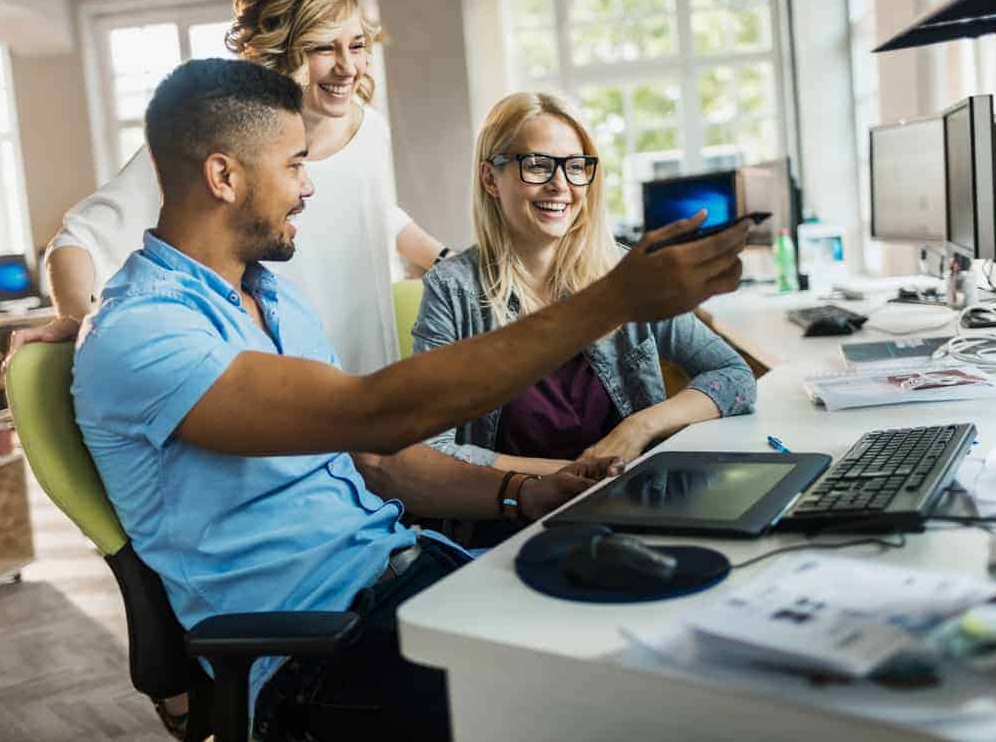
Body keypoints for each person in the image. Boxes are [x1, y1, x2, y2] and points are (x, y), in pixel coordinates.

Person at [70, 59, 751, 740]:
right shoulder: (144, 331)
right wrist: (614, 299)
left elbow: (380, 458)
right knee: (605, 713)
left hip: (414, 573)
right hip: (313, 656)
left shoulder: (270, 298)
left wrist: (524, 492)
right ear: (224, 177)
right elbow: (374, 412)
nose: (308, 189)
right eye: (295, 166)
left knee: (667, 651)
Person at [16, 0, 448, 373]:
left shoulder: (369, 129)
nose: (348, 66)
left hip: (372, 369)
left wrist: (452, 263)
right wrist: (80, 322)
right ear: (282, 53)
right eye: (321, 47)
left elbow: (378, 214)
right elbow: (78, 239)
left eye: (357, 46)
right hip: (276, 387)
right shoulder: (215, 140)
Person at [413, 92, 757, 480]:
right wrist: (573, 475)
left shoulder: (626, 272)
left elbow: (734, 376)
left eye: (576, 167)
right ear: (490, 178)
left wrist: (638, 428)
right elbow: (430, 447)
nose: (561, 185)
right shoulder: (451, 289)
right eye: (538, 166)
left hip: (633, 504)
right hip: (517, 519)